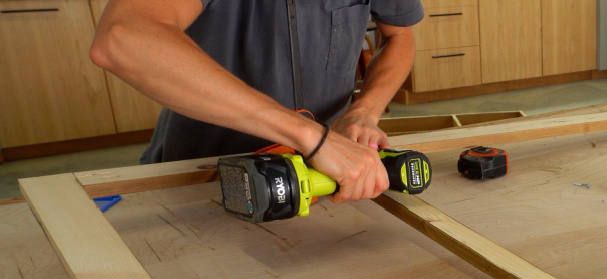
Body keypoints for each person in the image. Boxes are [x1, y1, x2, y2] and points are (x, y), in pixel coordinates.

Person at [90, 0, 424, 203]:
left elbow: (399, 35)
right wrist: (311, 137)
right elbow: (122, 37)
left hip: (327, 172)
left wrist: (364, 113)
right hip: (206, 171)